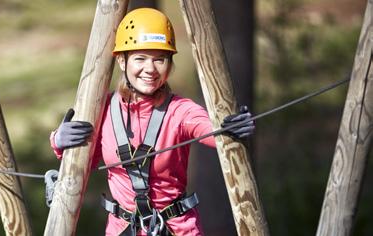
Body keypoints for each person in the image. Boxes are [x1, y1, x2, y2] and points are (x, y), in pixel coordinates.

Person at [50, 8, 255, 236]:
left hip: (178, 230)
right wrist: (59, 140)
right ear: (121, 61)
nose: (150, 69)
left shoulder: (179, 111)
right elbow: (82, 159)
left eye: (160, 60)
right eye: (140, 58)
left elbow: (211, 128)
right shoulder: (102, 110)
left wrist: (230, 128)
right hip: (122, 230)